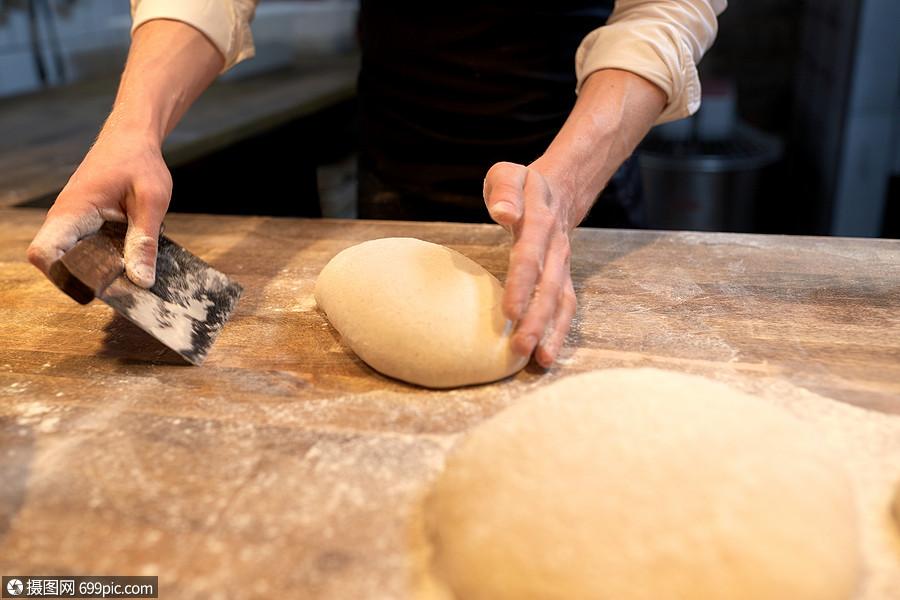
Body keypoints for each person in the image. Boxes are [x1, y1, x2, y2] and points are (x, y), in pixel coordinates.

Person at [27, 0, 725, 368]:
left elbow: (664, 11)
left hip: (580, 149)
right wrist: (134, 126)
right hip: (401, 144)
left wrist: (564, 188)